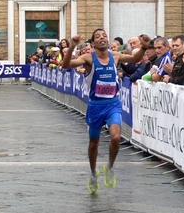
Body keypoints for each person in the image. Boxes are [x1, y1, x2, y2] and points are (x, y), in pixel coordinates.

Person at [62, 29, 150, 194]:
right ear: (93, 44)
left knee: (116, 137)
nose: (102, 38)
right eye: (97, 36)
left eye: (104, 36)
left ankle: (109, 167)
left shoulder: (115, 56)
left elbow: (135, 59)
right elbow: (66, 65)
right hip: (96, 106)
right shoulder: (88, 58)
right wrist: (73, 46)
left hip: (113, 104)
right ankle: (93, 173)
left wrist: (144, 48)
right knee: (94, 143)